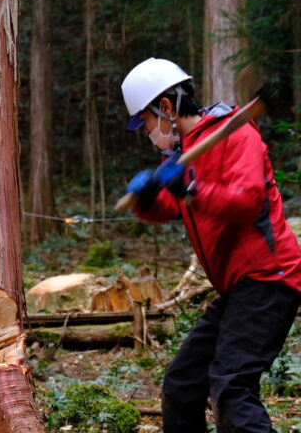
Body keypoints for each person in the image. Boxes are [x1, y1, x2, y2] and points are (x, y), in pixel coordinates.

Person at [121, 58, 301, 433]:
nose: (147, 132)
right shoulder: (184, 153)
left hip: (271, 279)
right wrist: (147, 198)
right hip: (238, 288)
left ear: (166, 107)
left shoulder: (235, 134)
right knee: (181, 386)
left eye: (147, 122)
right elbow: (170, 208)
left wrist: (190, 188)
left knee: (231, 385)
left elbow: (246, 201)